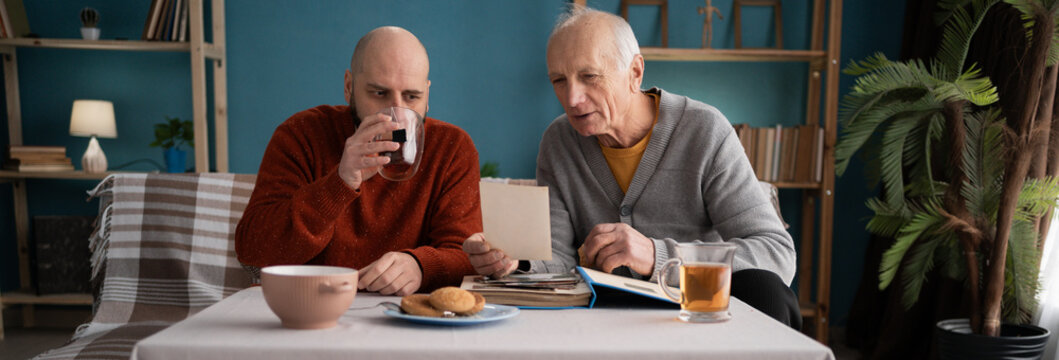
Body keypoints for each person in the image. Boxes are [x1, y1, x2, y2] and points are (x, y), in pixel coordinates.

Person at [463, 7, 800, 328]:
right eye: (559, 80)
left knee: (767, 291)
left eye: (589, 76)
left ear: (635, 72)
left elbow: (776, 253)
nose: (572, 98)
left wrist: (659, 257)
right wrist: (515, 262)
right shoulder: (559, 141)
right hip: (602, 312)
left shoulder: (704, 130)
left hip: (696, 308)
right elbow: (558, 258)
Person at [236, 26, 482, 296]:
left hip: (409, 318)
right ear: (349, 87)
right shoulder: (301, 135)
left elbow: (465, 257)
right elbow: (253, 251)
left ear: (427, 95)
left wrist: (420, 266)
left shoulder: (452, 148)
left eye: (412, 97)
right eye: (379, 94)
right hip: (312, 308)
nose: (397, 118)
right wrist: (339, 183)